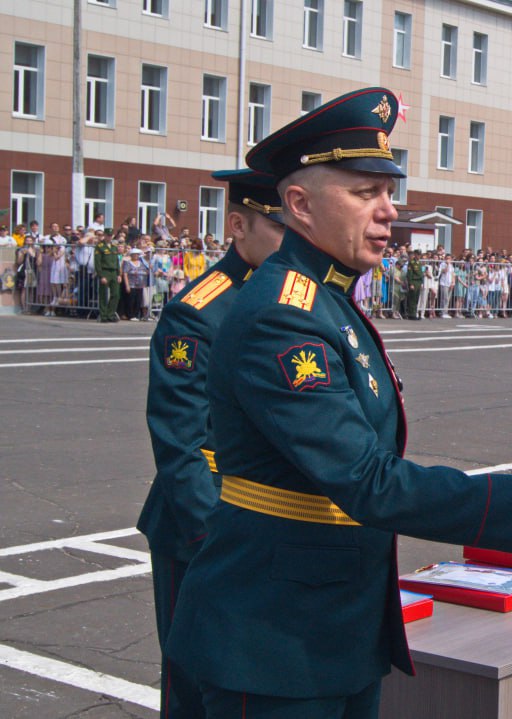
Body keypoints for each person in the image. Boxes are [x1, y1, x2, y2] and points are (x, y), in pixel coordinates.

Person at [162, 88, 512, 717]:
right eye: (363, 192)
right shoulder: (282, 314)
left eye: (388, 191)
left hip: (335, 624)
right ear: (299, 204)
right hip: (276, 640)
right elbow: (364, 478)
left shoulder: (328, 301)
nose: (388, 211)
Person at [138, 168, 287, 719]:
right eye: (277, 228)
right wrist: (214, 536)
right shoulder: (199, 310)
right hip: (202, 527)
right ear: (238, 226)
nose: (290, 241)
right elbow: (180, 443)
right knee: (195, 681)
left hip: (268, 523)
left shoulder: (293, 299)